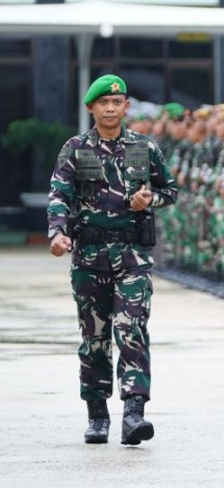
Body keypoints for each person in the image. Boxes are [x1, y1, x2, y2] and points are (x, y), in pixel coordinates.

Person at [47, 74, 178, 445]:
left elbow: (170, 190)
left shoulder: (144, 147)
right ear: (91, 107)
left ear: (126, 107)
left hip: (133, 256)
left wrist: (149, 199)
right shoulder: (75, 149)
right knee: (95, 338)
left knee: (131, 329)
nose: (110, 108)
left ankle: (134, 412)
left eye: (116, 102)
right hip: (88, 257)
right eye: (103, 102)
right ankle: (97, 413)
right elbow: (59, 194)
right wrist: (58, 232)